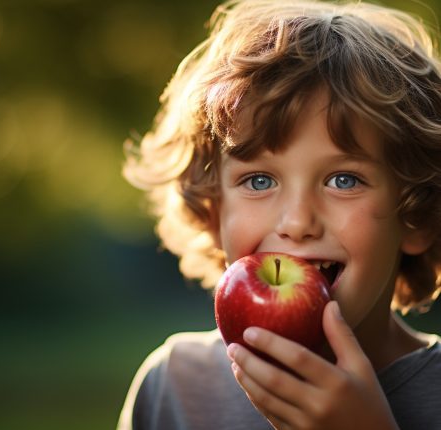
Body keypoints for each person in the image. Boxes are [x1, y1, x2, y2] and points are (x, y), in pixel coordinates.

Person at [117, 0, 441, 429]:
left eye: (344, 180)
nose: (296, 223)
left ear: (416, 216)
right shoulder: (176, 387)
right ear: (215, 213)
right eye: (259, 181)